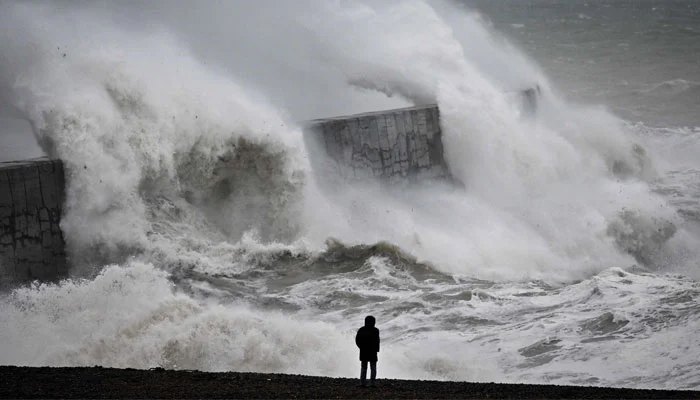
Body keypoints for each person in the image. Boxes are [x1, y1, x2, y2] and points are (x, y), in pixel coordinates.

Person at [355, 315, 380, 387]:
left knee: (364, 367)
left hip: (364, 351)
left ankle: (362, 383)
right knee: (373, 367)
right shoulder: (376, 330)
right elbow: (377, 341)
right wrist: (377, 349)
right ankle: (372, 383)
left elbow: (357, 340)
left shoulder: (361, 330)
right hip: (373, 351)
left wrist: (361, 347)